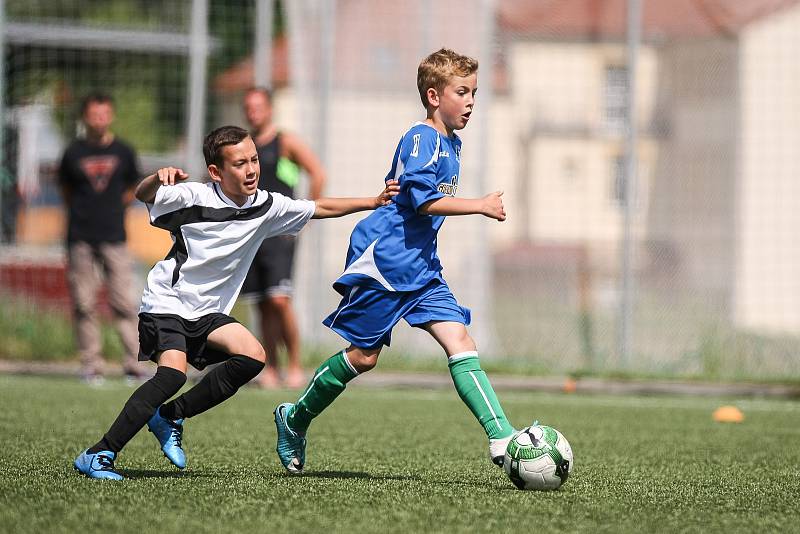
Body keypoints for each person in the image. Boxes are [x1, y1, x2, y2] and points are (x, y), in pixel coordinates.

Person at [73, 125, 399, 480]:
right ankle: (99, 453)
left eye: (254, 159)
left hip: (207, 312)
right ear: (217, 172)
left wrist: (373, 201)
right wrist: (156, 178)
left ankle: (170, 416)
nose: (251, 170)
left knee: (253, 356)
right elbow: (143, 194)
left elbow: (318, 206)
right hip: (168, 302)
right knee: (171, 376)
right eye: (240, 163)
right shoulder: (193, 196)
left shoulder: (265, 204)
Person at [273, 48, 517, 475]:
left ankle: (502, 435)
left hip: (421, 268)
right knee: (363, 358)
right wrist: (478, 205)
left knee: (460, 342)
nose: (471, 101)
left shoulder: (451, 143)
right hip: (385, 261)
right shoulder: (421, 137)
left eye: (474, 92)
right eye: (462, 92)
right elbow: (422, 202)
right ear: (433, 95)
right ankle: (294, 418)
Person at [241, 87, 326, 389]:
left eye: (258, 106)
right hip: (251, 233)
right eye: (248, 107)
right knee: (261, 303)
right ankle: (272, 368)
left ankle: (294, 365)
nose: (253, 112)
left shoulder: (285, 141)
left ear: (269, 109)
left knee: (279, 300)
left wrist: (305, 215)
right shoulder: (244, 146)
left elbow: (317, 173)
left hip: (280, 233)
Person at [58, 92, 143, 383]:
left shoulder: (124, 152)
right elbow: (66, 190)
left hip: (114, 237)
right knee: (84, 303)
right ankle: (91, 365)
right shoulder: (73, 153)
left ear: (111, 115)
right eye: (94, 114)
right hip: (80, 236)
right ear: (85, 117)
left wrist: (115, 209)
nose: (99, 119)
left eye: (104, 113)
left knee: (124, 303)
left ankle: (134, 364)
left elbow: (134, 187)